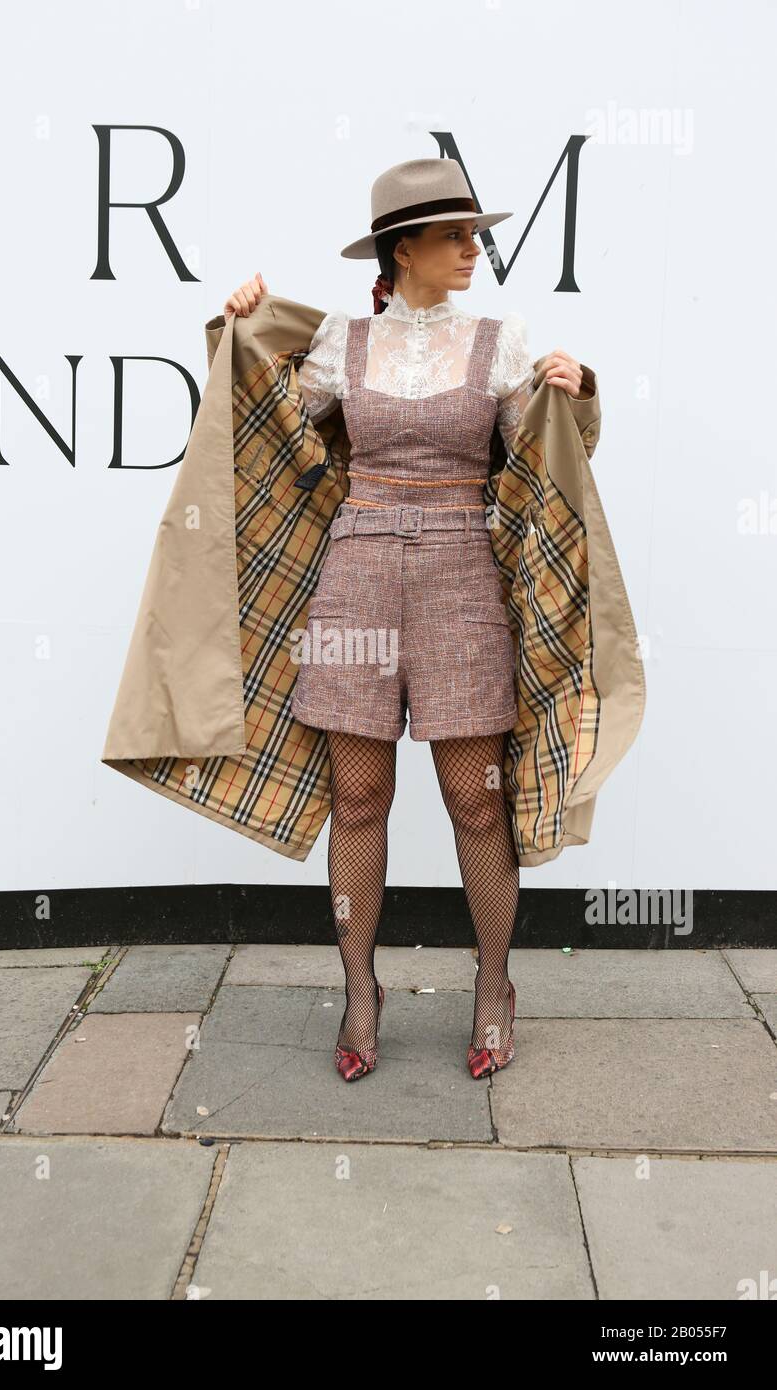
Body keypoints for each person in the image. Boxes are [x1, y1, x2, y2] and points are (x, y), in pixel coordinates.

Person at [223, 159, 585, 1084]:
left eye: (475, 234)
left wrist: (574, 394)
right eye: (456, 236)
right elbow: (264, 419)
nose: (474, 249)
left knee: (474, 798)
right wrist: (236, 330)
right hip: (358, 575)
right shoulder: (343, 339)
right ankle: (358, 987)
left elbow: (547, 457)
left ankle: (495, 984)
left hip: (463, 574)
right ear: (405, 248)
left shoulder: (502, 342)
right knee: (358, 799)